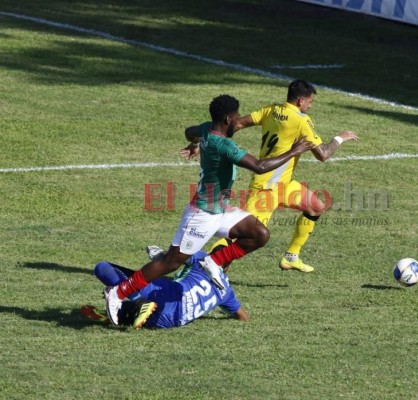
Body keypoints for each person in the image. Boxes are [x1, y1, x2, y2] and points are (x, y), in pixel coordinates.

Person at [104, 94, 314, 326]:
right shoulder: (224, 145)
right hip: (202, 214)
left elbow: (188, 131)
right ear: (227, 119)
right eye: (236, 119)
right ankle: (119, 293)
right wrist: (295, 150)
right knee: (170, 263)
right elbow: (260, 166)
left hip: (221, 210)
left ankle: (213, 262)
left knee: (259, 234)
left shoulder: (206, 130)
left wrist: (196, 144)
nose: (238, 123)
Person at [204, 80, 359, 273]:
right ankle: (205, 264)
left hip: (284, 184)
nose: (310, 106)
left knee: (315, 207)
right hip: (267, 187)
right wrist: (339, 138)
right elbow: (323, 154)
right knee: (239, 234)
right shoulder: (301, 120)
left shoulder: (271, 110)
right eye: (310, 102)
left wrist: (207, 137)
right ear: (301, 100)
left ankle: (291, 257)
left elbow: (238, 123)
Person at [81, 251, 248, 329]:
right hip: (167, 322)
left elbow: (177, 255)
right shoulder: (226, 292)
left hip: (167, 295)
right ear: (227, 267)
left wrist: (160, 254)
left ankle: (138, 302)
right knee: (142, 313)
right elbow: (242, 316)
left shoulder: (204, 259)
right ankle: (120, 315)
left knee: (103, 268)